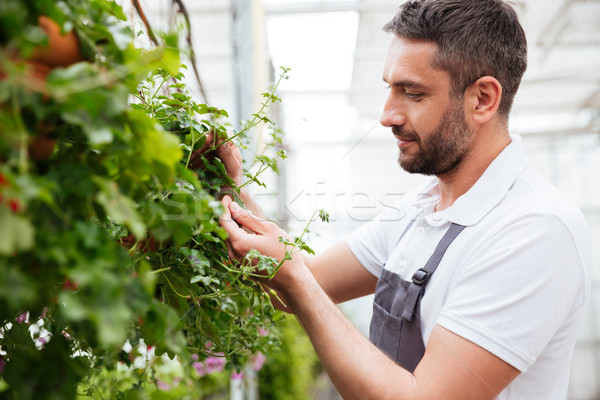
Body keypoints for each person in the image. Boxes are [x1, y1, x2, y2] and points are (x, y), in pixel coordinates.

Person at [217, 0, 591, 398]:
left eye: (412, 93)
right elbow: (307, 280)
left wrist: (294, 277)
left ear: (482, 99)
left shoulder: (532, 231)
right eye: (389, 88)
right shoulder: (422, 209)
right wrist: (229, 184)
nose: (387, 114)